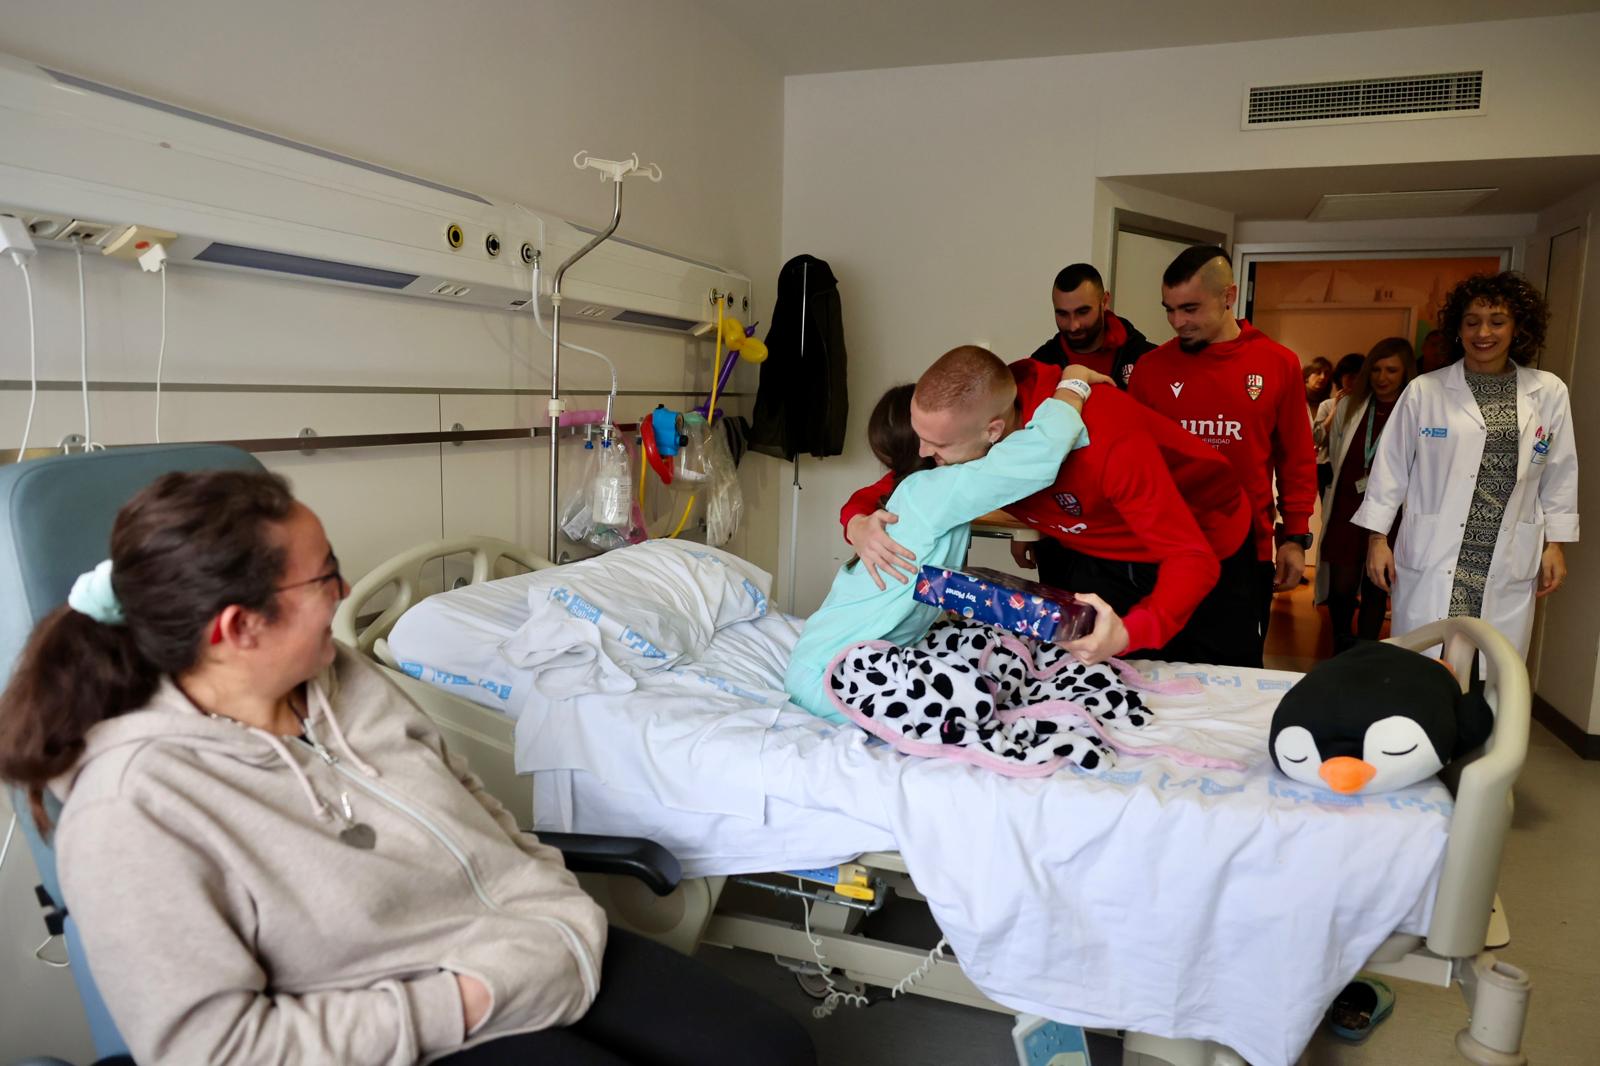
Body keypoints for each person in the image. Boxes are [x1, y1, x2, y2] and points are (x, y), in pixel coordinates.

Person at [0, 470, 815, 1066]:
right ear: (239, 627)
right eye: (324, 578)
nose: (347, 589)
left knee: (775, 1051)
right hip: (394, 1023)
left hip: (530, 939)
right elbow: (213, 1050)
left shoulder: (340, 678)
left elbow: (469, 801)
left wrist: (549, 902)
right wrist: (468, 997)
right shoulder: (133, 807)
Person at [839, 354, 1259, 669]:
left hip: (1205, 542)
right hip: (1101, 551)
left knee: (1212, 681)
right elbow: (893, 488)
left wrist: (1134, 631)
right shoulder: (958, 436)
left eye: (938, 448)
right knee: (1106, 673)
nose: (924, 454)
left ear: (994, 432)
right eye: (921, 439)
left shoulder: (1108, 441)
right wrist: (858, 524)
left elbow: (1191, 557)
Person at [1357, 272, 1578, 656]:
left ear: (1517, 327)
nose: (1483, 333)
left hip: (1504, 554)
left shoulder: (1548, 392)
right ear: (1458, 329)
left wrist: (1554, 544)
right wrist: (1378, 539)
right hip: (1436, 554)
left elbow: (1559, 470)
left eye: (1497, 321)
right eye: (1472, 321)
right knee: (1426, 667)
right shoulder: (1426, 390)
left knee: (1493, 676)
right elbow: (1390, 467)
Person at [1128, 245, 1319, 656]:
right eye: (1169, 310)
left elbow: (1296, 459)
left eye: (1190, 309)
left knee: (1233, 670)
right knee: (1158, 671)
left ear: (1228, 297)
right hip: (1164, 551)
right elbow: (1131, 461)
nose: (1178, 322)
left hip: (1242, 556)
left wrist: (1295, 537)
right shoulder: (1151, 369)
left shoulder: (1277, 364)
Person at [1315, 338, 1417, 652]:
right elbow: (1334, 452)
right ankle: (1341, 646)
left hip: (1391, 514)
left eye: (1391, 370)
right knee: (1341, 586)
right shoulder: (1349, 405)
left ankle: (1366, 651)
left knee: (1377, 584)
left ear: (1405, 373)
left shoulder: (1415, 410)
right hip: (1348, 506)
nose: (1382, 377)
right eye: (1376, 369)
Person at [1027, 262, 1158, 389]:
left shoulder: (1146, 358)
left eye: (1082, 312)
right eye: (1063, 314)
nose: (1073, 326)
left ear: (1105, 302)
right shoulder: (1039, 366)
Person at [1313, 353, 1366, 496]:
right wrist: (1335, 410)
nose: (1354, 381)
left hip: (1356, 467)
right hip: (1327, 467)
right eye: (1350, 377)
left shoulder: (1367, 406)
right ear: (1340, 378)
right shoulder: (1327, 405)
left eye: (1358, 377)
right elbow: (1316, 439)